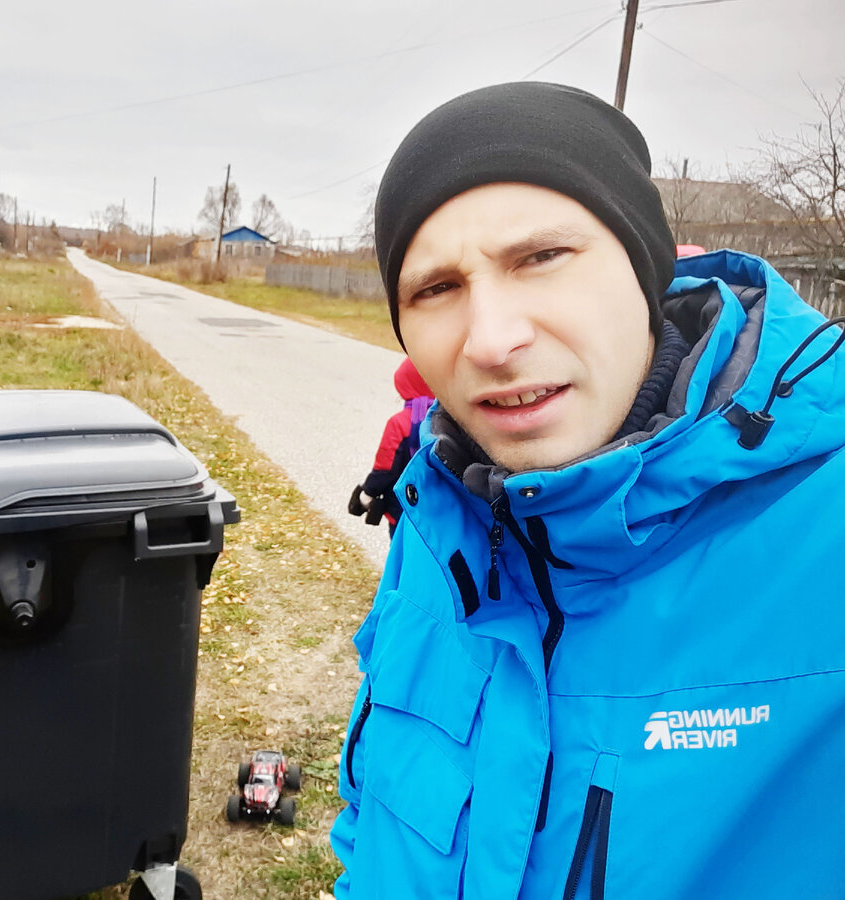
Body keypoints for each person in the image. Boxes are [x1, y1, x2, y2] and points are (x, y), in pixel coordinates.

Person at [331, 81, 845, 899]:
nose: (493, 340)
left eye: (541, 258)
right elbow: (372, 803)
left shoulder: (826, 528)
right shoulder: (437, 511)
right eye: (435, 290)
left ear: (644, 267)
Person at [348, 357, 435, 535]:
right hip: (440, 511)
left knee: (402, 558)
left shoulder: (400, 423)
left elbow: (385, 468)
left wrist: (367, 493)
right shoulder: (449, 420)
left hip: (403, 508)